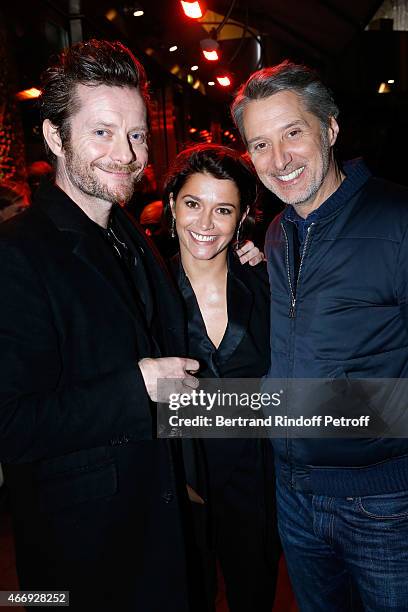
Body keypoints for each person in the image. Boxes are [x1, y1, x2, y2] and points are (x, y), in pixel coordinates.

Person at [0, 39, 200, 612]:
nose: (128, 153)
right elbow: (9, 424)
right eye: (103, 132)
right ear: (55, 138)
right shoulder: (18, 254)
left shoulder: (131, 235)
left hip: (157, 522)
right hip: (84, 557)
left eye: (137, 134)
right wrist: (133, 390)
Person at [231, 61, 408, 611]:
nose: (278, 160)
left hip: (384, 504)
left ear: (329, 129)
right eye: (260, 144)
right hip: (296, 498)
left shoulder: (398, 218)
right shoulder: (280, 233)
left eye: (292, 133)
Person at [163, 144, 280, 612]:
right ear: (172, 203)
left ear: (243, 216)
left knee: (254, 595)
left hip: (256, 481)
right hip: (175, 481)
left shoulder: (268, 284)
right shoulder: (144, 292)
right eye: (193, 203)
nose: (206, 224)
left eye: (223, 209)